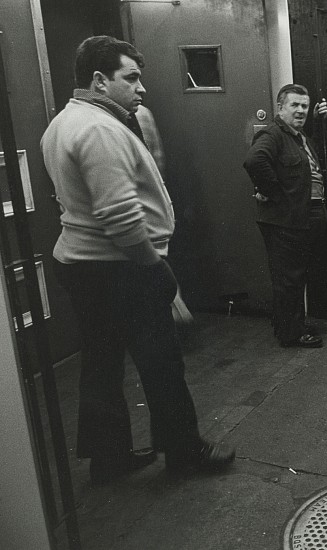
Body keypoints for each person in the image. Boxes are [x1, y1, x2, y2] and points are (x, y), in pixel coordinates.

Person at [41, 36, 235, 483]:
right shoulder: (99, 130)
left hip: (83, 264)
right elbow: (119, 215)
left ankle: (107, 458)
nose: (140, 88)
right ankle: (185, 452)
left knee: (102, 362)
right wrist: (155, 266)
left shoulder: (63, 123)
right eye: (130, 78)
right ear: (98, 81)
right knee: (161, 362)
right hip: (120, 267)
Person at [244, 84, 327, 348]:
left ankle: (291, 324)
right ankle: (291, 334)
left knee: (295, 275)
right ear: (280, 108)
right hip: (285, 221)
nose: (301, 110)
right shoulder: (274, 134)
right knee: (289, 279)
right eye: (295, 105)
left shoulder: (297, 136)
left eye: (304, 105)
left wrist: (316, 121)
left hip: (302, 218)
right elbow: (255, 161)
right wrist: (276, 195)